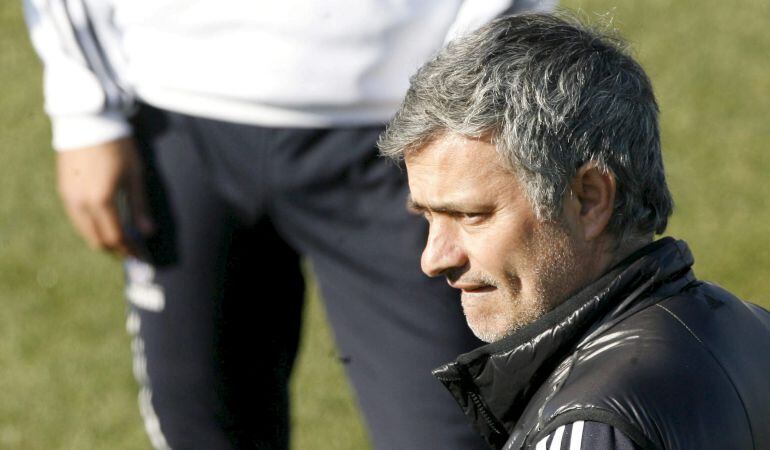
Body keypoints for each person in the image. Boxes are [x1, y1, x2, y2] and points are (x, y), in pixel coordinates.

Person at [22, 1, 557, 449]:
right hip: (175, 120)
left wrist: (474, 85)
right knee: (202, 427)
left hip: (413, 123)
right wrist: (85, 108)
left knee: (454, 429)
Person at [378, 12, 770, 450]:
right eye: (428, 217)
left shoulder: (589, 431)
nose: (434, 258)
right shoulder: (752, 330)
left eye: (471, 215)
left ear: (589, 200)